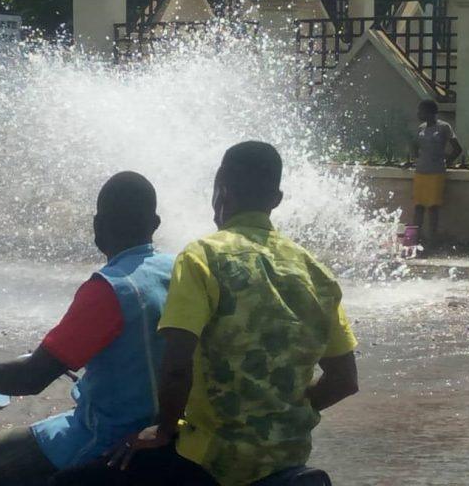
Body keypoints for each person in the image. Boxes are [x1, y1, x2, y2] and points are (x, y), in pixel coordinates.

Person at [53, 141, 359, 486]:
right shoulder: (315, 271)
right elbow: (345, 380)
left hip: (208, 462)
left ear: (220, 191)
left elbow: (177, 366)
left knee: (67, 482)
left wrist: (164, 429)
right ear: (276, 199)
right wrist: (280, 415)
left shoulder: (202, 258)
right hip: (288, 460)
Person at [0, 171, 174, 486]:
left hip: (101, 437)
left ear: (98, 226)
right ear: (155, 223)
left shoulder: (109, 289)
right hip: (160, 429)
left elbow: (31, 377)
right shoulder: (176, 270)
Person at [411, 100, 462, 244]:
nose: (418, 114)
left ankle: (432, 240)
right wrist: (416, 158)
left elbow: (457, 149)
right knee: (418, 206)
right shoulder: (421, 128)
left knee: (433, 207)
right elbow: (414, 146)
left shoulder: (444, 127)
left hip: (436, 173)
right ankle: (416, 238)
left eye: (421, 111)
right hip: (420, 172)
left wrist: (447, 161)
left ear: (430, 112)